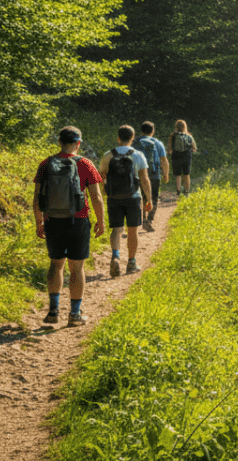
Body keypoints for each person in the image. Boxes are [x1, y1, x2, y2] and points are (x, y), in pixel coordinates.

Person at [33, 126, 106, 326]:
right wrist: (101, 221)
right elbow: (96, 197)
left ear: (59, 142)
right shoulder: (85, 164)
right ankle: (74, 314)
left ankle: (53, 311)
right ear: (78, 143)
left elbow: (37, 197)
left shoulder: (46, 164)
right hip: (78, 221)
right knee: (77, 267)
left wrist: (39, 221)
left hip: (53, 221)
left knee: (56, 265)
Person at [99, 125, 153, 277]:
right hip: (133, 197)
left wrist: (105, 189)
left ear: (118, 138)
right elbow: (144, 179)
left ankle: (116, 256)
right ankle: (131, 262)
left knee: (116, 230)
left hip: (114, 197)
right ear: (132, 138)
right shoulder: (138, 155)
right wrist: (149, 199)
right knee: (133, 230)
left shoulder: (108, 155)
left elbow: (101, 175)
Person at [134, 121, 169, 231]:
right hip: (154, 174)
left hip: (138, 173)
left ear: (142, 130)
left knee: (141, 196)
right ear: (153, 131)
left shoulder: (135, 142)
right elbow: (163, 160)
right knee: (153, 197)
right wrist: (166, 174)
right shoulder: (157, 143)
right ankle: (149, 219)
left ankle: (143, 218)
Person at [168, 119, 197, 195]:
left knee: (178, 175)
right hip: (186, 155)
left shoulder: (172, 135)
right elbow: (194, 148)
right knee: (186, 174)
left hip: (176, 155)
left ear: (176, 126)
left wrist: (170, 152)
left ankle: (178, 191)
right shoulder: (189, 136)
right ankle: (186, 191)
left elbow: (169, 147)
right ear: (185, 126)